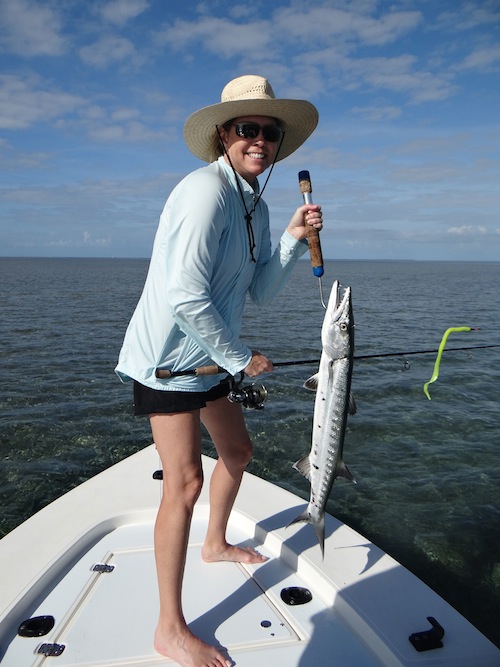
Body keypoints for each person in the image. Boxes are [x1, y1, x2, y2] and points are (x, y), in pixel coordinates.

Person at [115, 74, 321, 667]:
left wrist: (292, 236)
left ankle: (214, 543)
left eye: (271, 133)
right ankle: (169, 629)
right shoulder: (204, 191)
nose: (261, 140)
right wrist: (241, 358)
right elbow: (184, 293)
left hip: (210, 355)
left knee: (238, 452)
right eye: (248, 128)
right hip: (170, 364)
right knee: (184, 484)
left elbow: (261, 290)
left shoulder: (254, 204)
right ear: (223, 135)